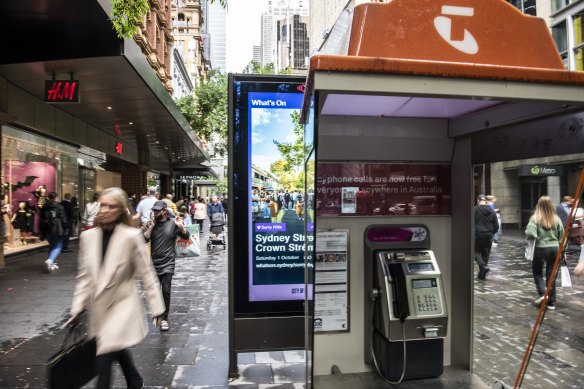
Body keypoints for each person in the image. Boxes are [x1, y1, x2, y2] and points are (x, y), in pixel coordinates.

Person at [67, 187, 165, 389]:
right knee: (114, 346)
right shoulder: (89, 237)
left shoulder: (130, 236)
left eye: (111, 206)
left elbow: (147, 274)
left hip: (122, 307)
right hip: (101, 310)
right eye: (102, 205)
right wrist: (77, 307)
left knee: (104, 357)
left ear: (120, 210)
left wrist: (157, 308)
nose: (104, 210)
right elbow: (85, 277)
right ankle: (135, 379)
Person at [144, 200, 190, 331]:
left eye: (158, 210)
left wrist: (180, 227)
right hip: (154, 261)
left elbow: (186, 237)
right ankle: (159, 314)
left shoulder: (172, 223)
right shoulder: (152, 224)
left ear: (164, 210)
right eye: (154, 210)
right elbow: (144, 239)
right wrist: (151, 227)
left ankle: (164, 319)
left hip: (168, 261)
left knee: (166, 290)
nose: (156, 212)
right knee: (156, 291)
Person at [525, 196, 564, 310]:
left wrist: (536, 236)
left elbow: (530, 233)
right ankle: (551, 302)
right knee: (551, 274)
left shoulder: (535, 218)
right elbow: (562, 235)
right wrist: (563, 249)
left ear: (539, 205)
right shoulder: (556, 219)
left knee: (537, 272)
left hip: (540, 249)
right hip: (555, 248)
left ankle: (543, 295)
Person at [39, 192, 67, 272]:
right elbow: (63, 219)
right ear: (56, 198)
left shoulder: (44, 207)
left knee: (52, 245)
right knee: (58, 246)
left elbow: (41, 218)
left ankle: (52, 263)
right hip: (57, 229)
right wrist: (66, 229)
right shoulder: (59, 207)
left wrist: (41, 231)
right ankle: (50, 260)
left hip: (46, 228)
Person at [474, 194, 499, 281]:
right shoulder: (492, 211)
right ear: (485, 201)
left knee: (474, 251)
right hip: (489, 234)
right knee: (485, 253)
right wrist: (492, 233)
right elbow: (496, 225)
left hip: (477, 233)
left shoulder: (474, 209)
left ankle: (483, 266)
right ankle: (482, 276)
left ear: (478, 200)